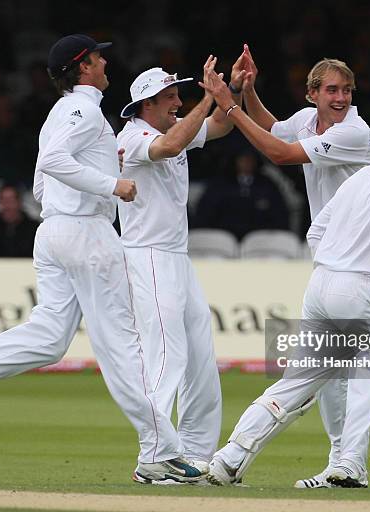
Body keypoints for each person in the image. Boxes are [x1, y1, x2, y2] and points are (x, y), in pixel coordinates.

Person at [0, 34, 207, 485]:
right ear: (83, 67)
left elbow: (41, 177)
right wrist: (109, 187)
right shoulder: (84, 109)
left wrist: (61, 209)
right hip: (86, 233)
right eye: (98, 56)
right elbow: (54, 160)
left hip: (54, 230)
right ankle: (159, 452)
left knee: (50, 336)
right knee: (124, 347)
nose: (104, 60)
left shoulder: (57, 113)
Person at [205, 108, 370, 489]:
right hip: (360, 293)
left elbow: (316, 233)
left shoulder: (358, 180)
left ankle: (228, 460)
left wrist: (336, 271)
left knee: (297, 382)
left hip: (322, 285)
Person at [205, 46, 370, 488]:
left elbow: (281, 154)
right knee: (326, 371)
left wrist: (228, 104)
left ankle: (345, 462)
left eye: (346, 90)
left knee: (343, 369)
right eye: (331, 90)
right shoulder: (309, 121)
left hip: (363, 261)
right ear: (312, 95)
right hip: (332, 264)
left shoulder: (354, 132)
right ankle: (344, 464)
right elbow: (272, 128)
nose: (340, 98)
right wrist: (247, 91)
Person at [117, 57, 241, 475]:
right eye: (170, 97)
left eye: (178, 96)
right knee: (166, 354)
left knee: (200, 355)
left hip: (176, 257)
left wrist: (234, 90)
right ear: (146, 104)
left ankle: (195, 454)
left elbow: (222, 125)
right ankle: (152, 456)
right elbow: (169, 147)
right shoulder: (132, 136)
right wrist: (207, 98)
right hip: (146, 255)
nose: (177, 103)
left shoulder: (176, 129)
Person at [194, 148, 290, 239]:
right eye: (243, 160)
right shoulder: (220, 184)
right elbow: (205, 214)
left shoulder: (267, 185)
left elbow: (280, 215)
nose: (247, 163)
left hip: (259, 239)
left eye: (250, 160)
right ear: (235, 161)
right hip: (224, 237)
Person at [0, 184, 40, 257]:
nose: (7, 205)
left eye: (11, 200)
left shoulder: (32, 226)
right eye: (3, 200)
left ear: (19, 202)